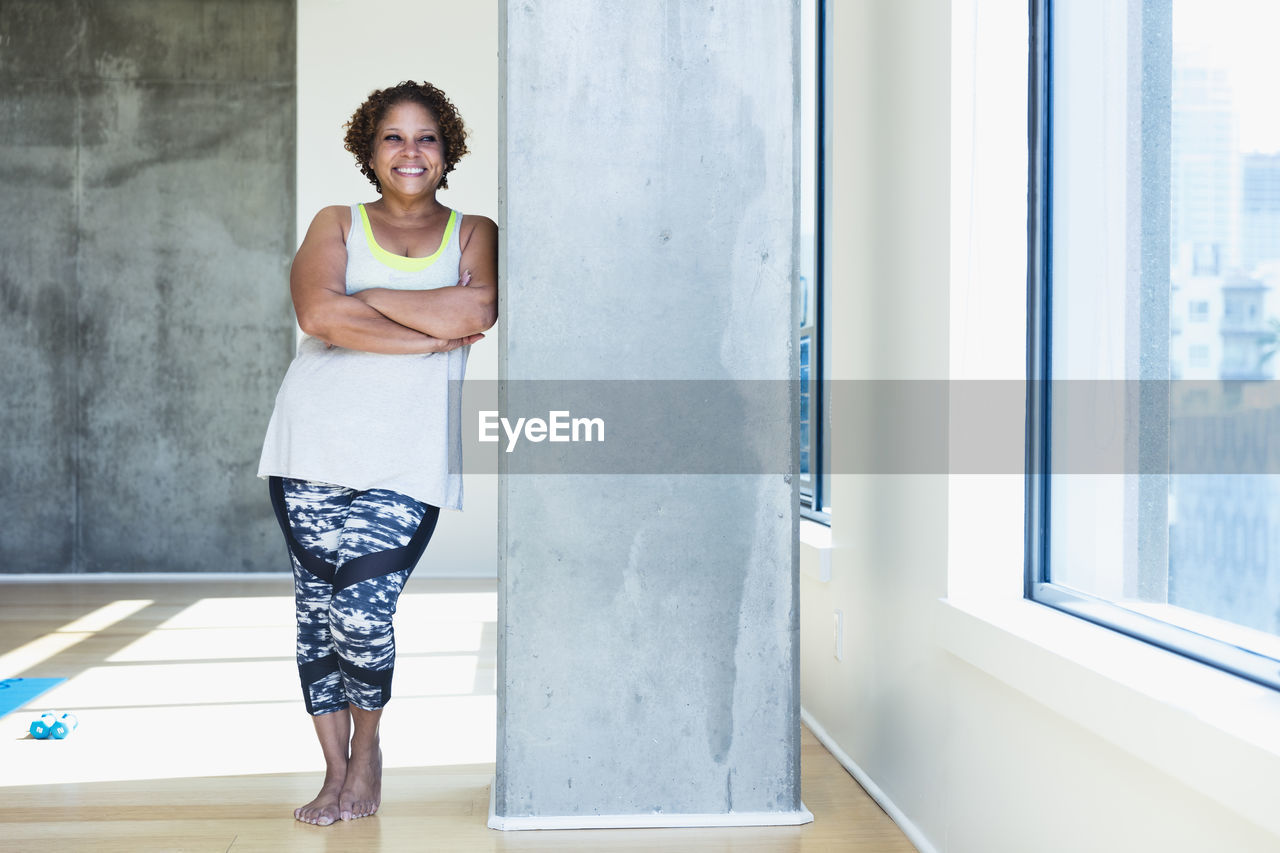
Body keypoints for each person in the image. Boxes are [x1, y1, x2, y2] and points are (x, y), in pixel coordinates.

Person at [257, 80, 497, 826]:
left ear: (447, 149)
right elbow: (317, 312)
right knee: (316, 615)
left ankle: (368, 748)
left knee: (362, 610)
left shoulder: (473, 232)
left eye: (426, 136)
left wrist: (364, 307)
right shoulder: (336, 221)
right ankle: (333, 771)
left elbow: (478, 308)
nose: (410, 151)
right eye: (393, 137)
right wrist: (429, 332)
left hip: (408, 453)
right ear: (370, 150)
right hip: (310, 444)